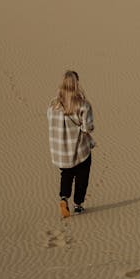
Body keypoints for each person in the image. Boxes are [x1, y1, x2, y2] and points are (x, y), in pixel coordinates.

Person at [47, 70, 95, 218]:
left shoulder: (53, 105)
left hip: (61, 151)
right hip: (79, 149)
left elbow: (50, 123)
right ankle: (78, 205)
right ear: (76, 84)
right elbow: (88, 128)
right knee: (82, 177)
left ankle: (63, 198)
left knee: (66, 174)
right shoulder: (83, 105)